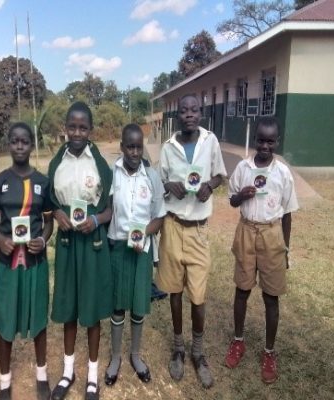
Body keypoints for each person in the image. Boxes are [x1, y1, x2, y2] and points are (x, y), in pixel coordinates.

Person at [156, 94, 227, 389]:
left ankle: (198, 353)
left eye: (194, 110)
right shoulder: (168, 148)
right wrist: (167, 184)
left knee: (198, 297)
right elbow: (157, 182)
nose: (189, 114)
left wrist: (210, 186)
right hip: (172, 227)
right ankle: (178, 348)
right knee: (174, 291)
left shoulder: (210, 141)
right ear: (177, 115)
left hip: (198, 229)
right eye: (183, 110)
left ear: (201, 113)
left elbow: (221, 174)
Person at [224, 116, 298, 384]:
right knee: (242, 290)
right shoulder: (243, 167)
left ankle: (269, 352)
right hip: (246, 230)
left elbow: (288, 214)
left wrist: (285, 249)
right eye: (261, 140)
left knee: (271, 296)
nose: (265, 146)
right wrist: (241, 195)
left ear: (277, 142)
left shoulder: (283, 173)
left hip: (271, 234)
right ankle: (238, 340)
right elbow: (232, 200)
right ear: (254, 139)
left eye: (270, 141)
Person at [48, 101, 113, 400]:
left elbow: (111, 208)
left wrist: (97, 219)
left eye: (82, 127)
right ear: (65, 128)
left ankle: (91, 376)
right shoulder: (56, 162)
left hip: (92, 242)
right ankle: (67, 371)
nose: (76, 132)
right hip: (66, 244)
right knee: (70, 308)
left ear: (90, 130)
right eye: (72, 126)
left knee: (92, 308)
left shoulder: (98, 163)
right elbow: (50, 200)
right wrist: (56, 214)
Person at [0, 123, 54, 400]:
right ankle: (4, 383)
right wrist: (1, 240)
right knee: (4, 321)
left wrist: (44, 239)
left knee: (38, 319)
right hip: (7, 263)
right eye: (14, 141)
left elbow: (49, 223)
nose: (19, 146)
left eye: (24, 141)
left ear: (31, 144)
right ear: (8, 143)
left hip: (36, 263)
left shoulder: (43, 181)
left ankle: (41, 376)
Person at [104, 124, 166, 387]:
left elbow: (159, 216)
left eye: (139, 146)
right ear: (121, 147)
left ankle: (136, 355)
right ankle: (116, 357)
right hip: (118, 247)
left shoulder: (151, 176)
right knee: (118, 305)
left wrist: (143, 233)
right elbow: (107, 210)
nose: (134, 151)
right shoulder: (112, 175)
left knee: (139, 305)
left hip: (141, 251)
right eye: (130, 146)